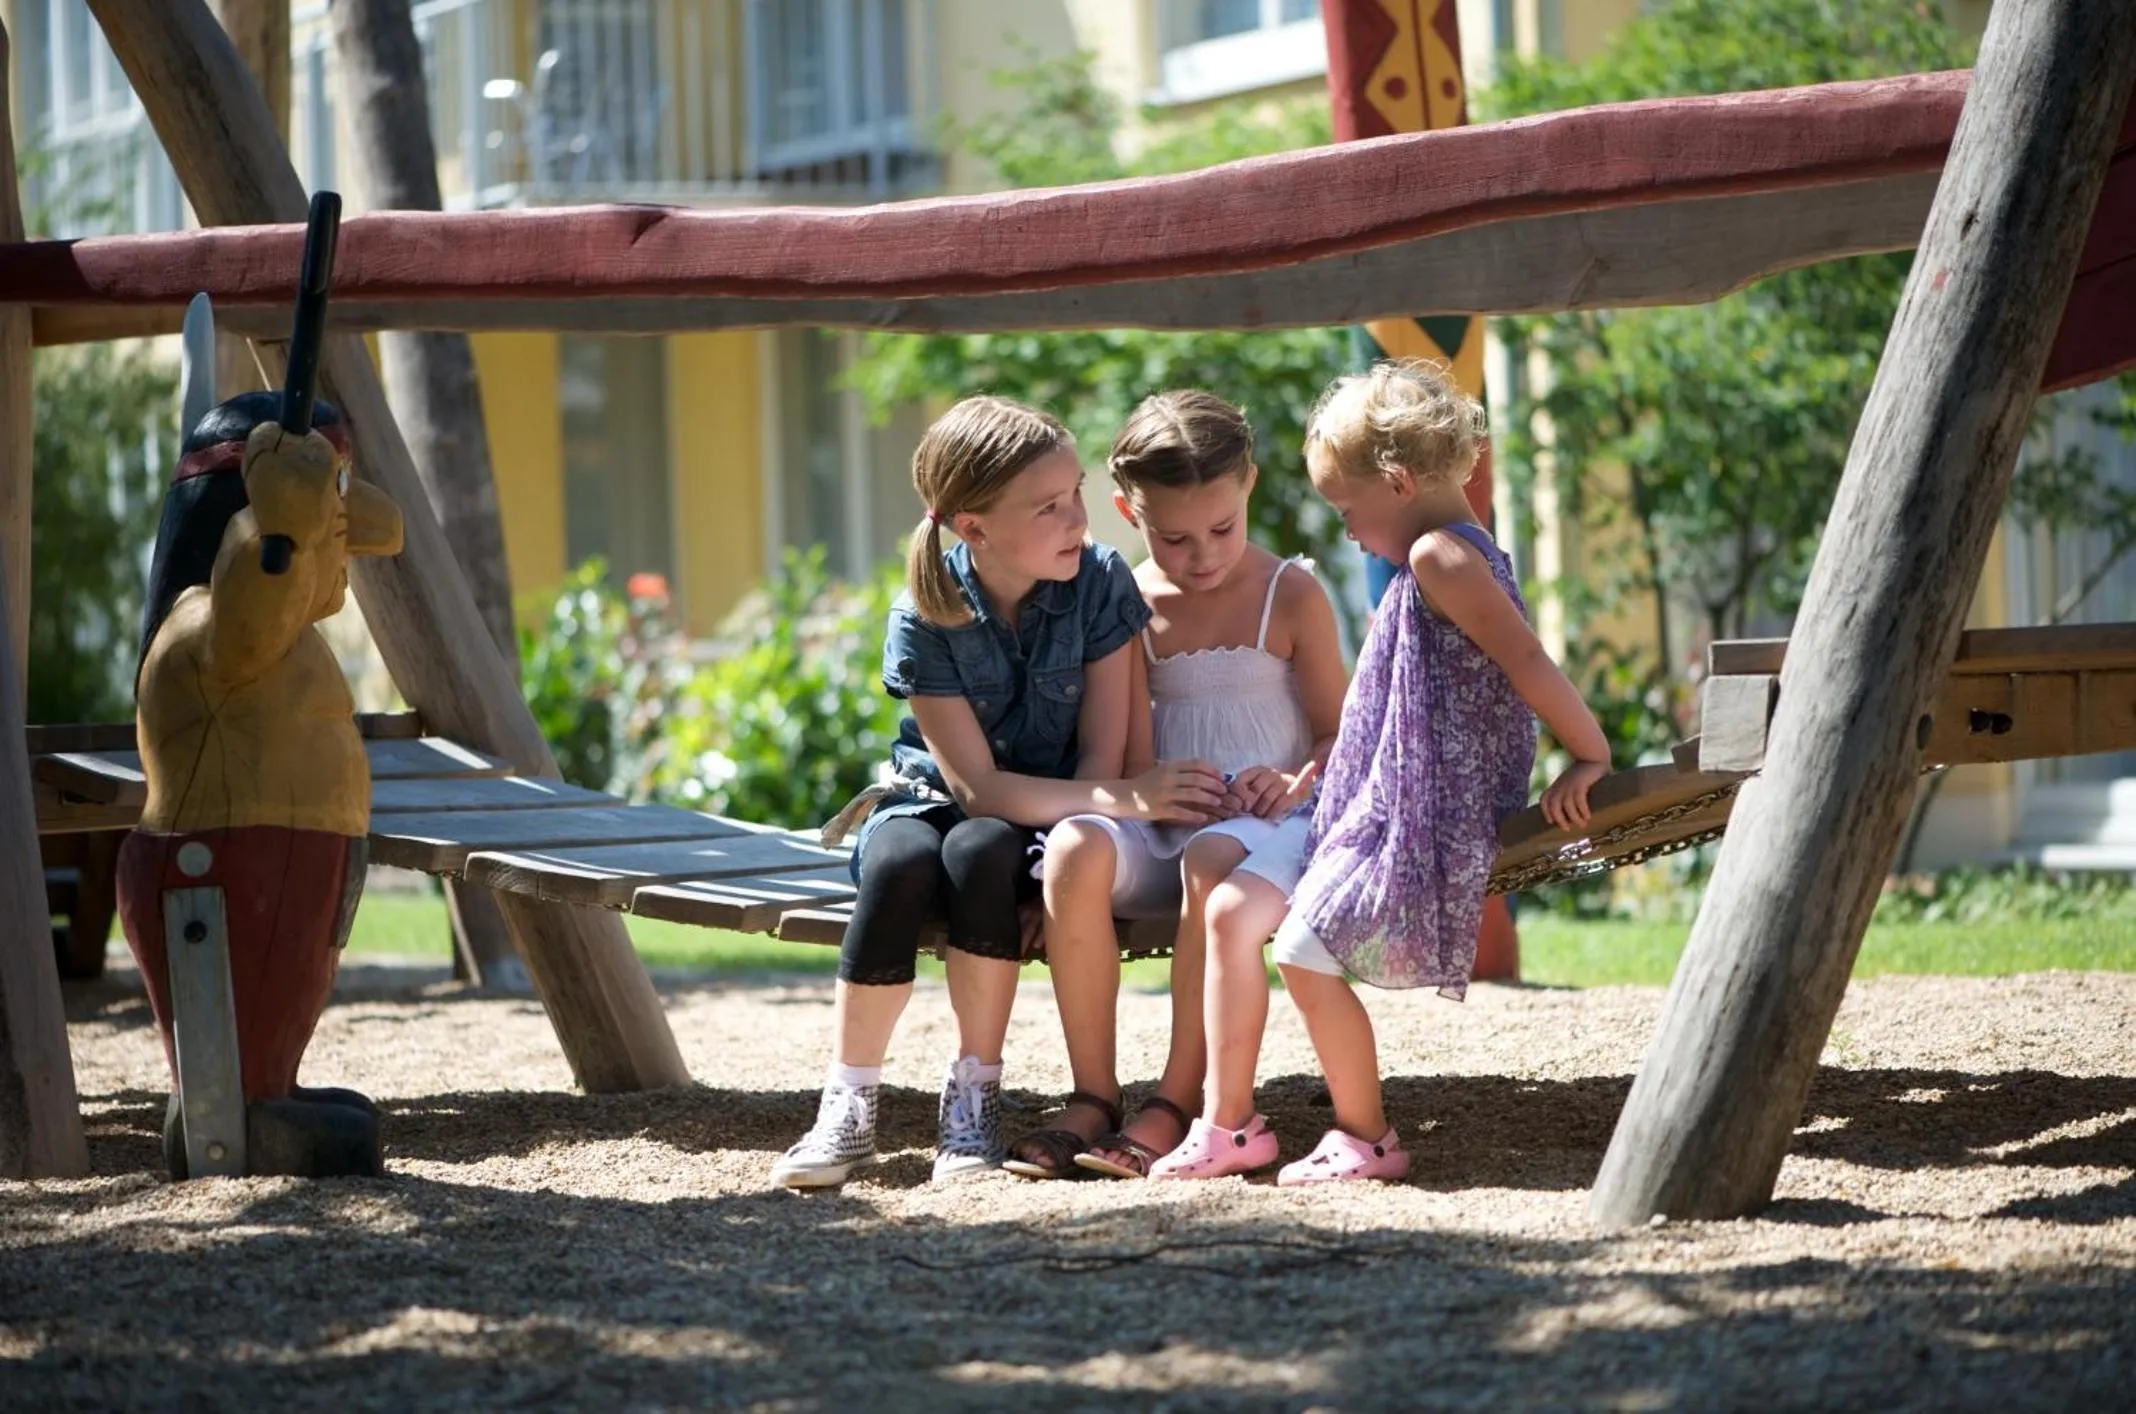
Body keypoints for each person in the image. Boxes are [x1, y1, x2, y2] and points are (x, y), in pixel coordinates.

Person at [1150, 359, 1611, 1185]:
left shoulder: (1442, 558)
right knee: (1241, 918)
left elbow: (1528, 661)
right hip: (1368, 797)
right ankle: (1239, 1127)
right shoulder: (1438, 556)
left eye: (1347, 510)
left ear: (1397, 484)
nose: (1348, 532)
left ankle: (1366, 1138)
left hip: (1422, 809)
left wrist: (1592, 752)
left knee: (1304, 949)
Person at [771, 394, 1225, 1189]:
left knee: (983, 854)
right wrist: (1133, 799)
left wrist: (1053, 871)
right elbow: (976, 789)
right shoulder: (922, 615)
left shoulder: (1097, 583)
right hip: (932, 799)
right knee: (899, 863)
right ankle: (847, 1104)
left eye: (1075, 493)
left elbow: (1099, 758)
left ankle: (973, 1102)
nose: (1077, 519)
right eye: (1048, 507)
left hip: (1041, 820)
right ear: (973, 528)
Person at [1005, 390, 1347, 1180]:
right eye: (1173, 537)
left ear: (1249, 485)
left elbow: (1338, 735)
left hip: (1263, 831)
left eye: (1222, 529)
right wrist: (1145, 792)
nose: (1202, 556)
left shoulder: (1289, 594)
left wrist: (1292, 778)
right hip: (1162, 826)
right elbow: (1118, 759)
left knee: (1209, 856)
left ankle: (1174, 1099)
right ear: (1130, 511)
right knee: (1075, 847)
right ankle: (1094, 1096)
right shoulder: (1127, 602)